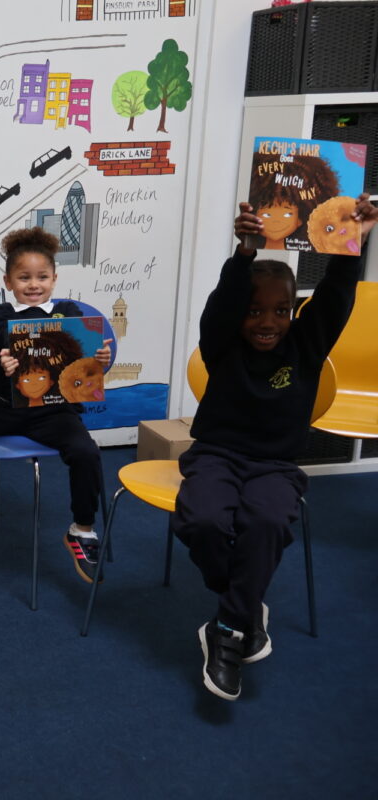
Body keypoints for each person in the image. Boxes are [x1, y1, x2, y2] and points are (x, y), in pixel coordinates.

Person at [172, 194, 376, 701]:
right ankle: (244, 604)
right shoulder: (222, 345)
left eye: (281, 311)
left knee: (265, 523)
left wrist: (351, 241)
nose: (268, 322)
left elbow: (335, 296)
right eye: (255, 311)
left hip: (275, 466)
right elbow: (221, 308)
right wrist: (245, 251)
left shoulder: (306, 345)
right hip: (216, 455)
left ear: (294, 311)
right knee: (202, 521)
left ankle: (228, 631)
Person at [0, 227, 110, 581]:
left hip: (54, 411)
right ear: (8, 281)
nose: (33, 284)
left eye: (42, 277)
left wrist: (97, 359)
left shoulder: (68, 311)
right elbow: (3, 339)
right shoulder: (2, 314)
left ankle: (82, 529)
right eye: (24, 277)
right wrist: (8, 357)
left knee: (86, 453)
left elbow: (81, 359)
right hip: (4, 405)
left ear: (54, 279)